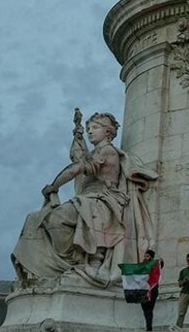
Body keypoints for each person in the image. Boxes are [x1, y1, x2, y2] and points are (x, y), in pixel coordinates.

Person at [12, 110, 158, 287]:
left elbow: (76, 168)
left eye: (95, 127)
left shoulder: (107, 151)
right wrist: (78, 132)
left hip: (104, 200)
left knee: (56, 218)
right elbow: (79, 156)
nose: (90, 131)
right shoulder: (96, 152)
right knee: (37, 218)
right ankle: (72, 263)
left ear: (108, 133)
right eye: (89, 128)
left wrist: (54, 186)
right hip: (89, 199)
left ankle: (80, 263)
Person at [141, 249, 162, 331]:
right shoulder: (143, 265)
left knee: (149, 309)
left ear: (151, 257)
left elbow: (160, 265)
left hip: (152, 290)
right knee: (145, 309)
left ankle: (149, 327)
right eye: (145, 256)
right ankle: (148, 325)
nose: (145, 258)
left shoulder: (154, 265)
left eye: (147, 256)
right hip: (144, 290)